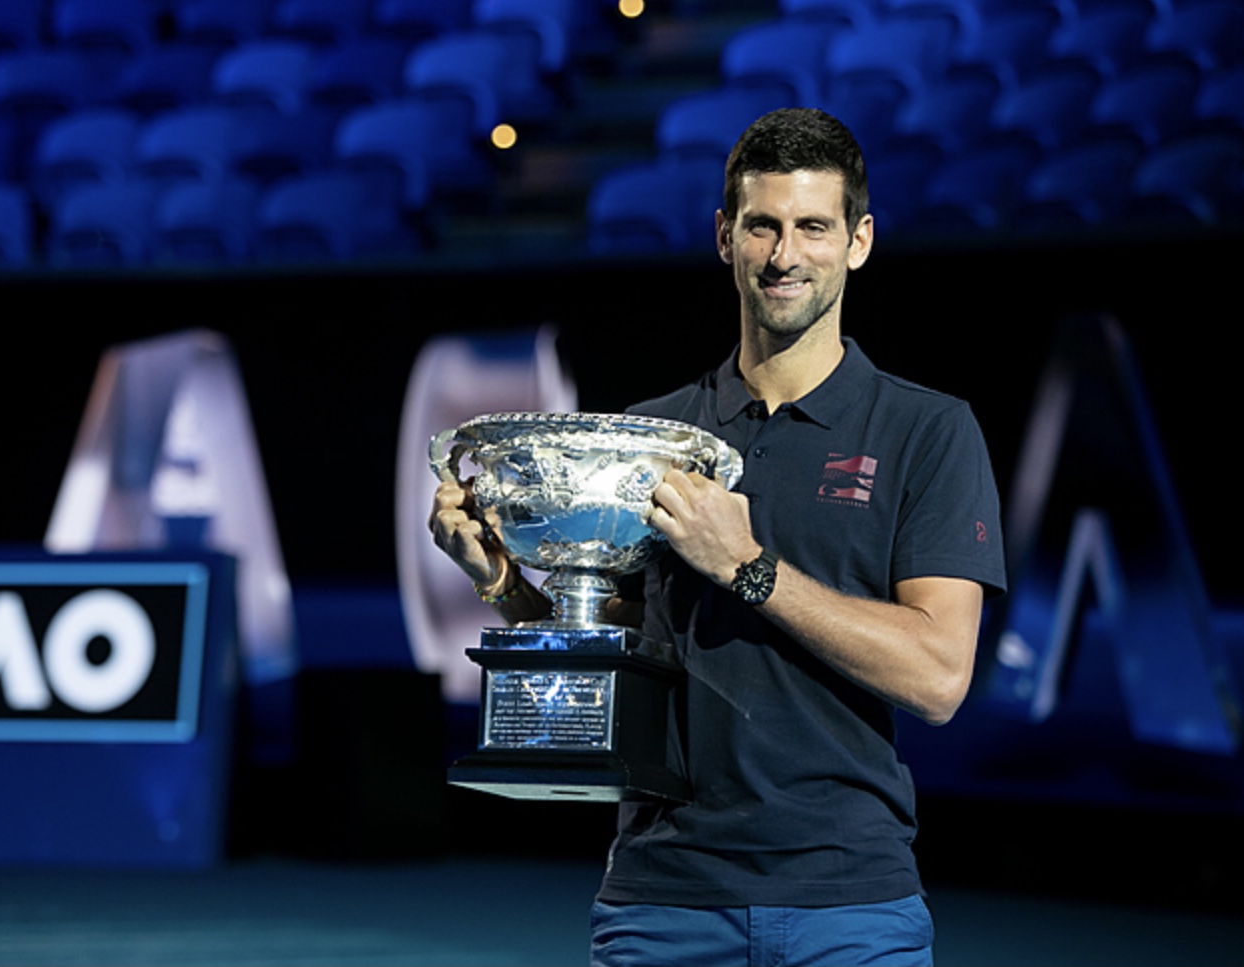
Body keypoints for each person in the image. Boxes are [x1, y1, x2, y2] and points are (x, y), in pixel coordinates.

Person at [430, 107, 1006, 966]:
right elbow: (617, 656)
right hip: (663, 903)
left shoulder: (929, 430)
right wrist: (505, 582)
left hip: (848, 904)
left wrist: (748, 567)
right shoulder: (644, 437)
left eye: (813, 227)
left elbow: (937, 675)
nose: (784, 255)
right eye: (762, 226)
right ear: (724, 237)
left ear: (859, 241)